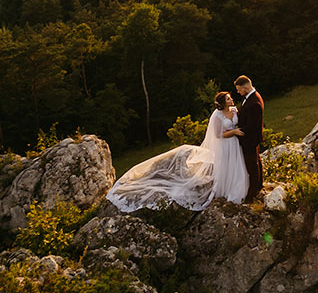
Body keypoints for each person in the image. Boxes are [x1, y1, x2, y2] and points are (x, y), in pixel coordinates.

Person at [106, 91, 249, 211]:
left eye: (230, 98)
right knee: (224, 168)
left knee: (235, 166)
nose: (231, 100)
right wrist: (234, 132)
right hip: (225, 144)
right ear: (222, 103)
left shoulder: (234, 110)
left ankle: (237, 190)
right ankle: (222, 192)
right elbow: (218, 135)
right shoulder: (217, 116)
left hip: (234, 144)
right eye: (228, 99)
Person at [233, 74, 264, 202]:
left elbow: (251, 126)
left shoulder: (255, 102)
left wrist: (235, 133)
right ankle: (259, 185)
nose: (238, 92)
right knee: (256, 162)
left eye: (239, 89)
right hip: (250, 138)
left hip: (250, 139)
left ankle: (252, 193)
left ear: (245, 87)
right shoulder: (249, 98)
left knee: (252, 166)